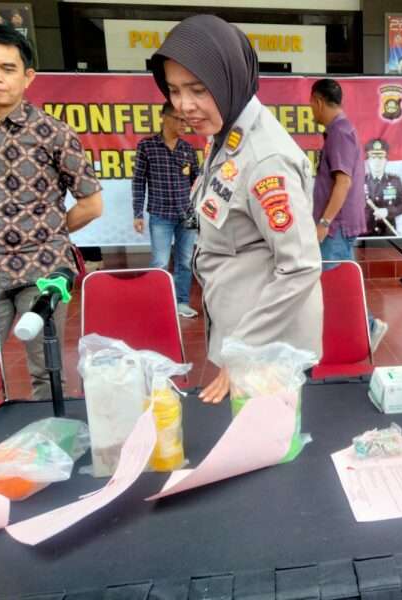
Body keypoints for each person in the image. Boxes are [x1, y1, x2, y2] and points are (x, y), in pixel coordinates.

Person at [150, 15, 322, 404]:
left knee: (268, 439)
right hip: (245, 334)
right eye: (174, 91)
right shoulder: (226, 134)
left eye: (198, 90)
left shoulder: (265, 159)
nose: (184, 106)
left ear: (230, 78)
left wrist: (244, 351)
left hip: (269, 351)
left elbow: (300, 266)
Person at [0, 24, 102, 400]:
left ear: (28, 77)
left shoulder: (53, 133)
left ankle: (52, 433)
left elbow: (91, 204)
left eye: (8, 68)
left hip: (41, 271)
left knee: (46, 373)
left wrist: (49, 234)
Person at [309, 79, 388, 352]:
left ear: (318, 101)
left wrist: (324, 223)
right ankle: (359, 329)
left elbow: (343, 183)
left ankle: (367, 327)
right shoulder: (340, 130)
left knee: (338, 283)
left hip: (336, 226)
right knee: (342, 280)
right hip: (339, 224)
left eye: (311, 104)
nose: (311, 110)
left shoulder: (340, 133)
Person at [132, 101, 199, 318]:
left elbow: (197, 182)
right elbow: (138, 181)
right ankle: (160, 303)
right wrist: (137, 213)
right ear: (164, 117)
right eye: (180, 120)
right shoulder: (147, 146)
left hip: (187, 215)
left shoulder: (187, 149)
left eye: (186, 121)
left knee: (185, 261)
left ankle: (181, 302)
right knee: (160, 262)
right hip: (160, 214)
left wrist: (199, 211)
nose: (184, 125)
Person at [364, 139, 402, 238]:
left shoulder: (395, 181)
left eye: (381, 157)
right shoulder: (360, 181)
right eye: (373, 157)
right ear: (368, 160)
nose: (377, 161)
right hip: (365, 232)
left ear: (386, 160)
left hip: (388, 231)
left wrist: (387, 211)